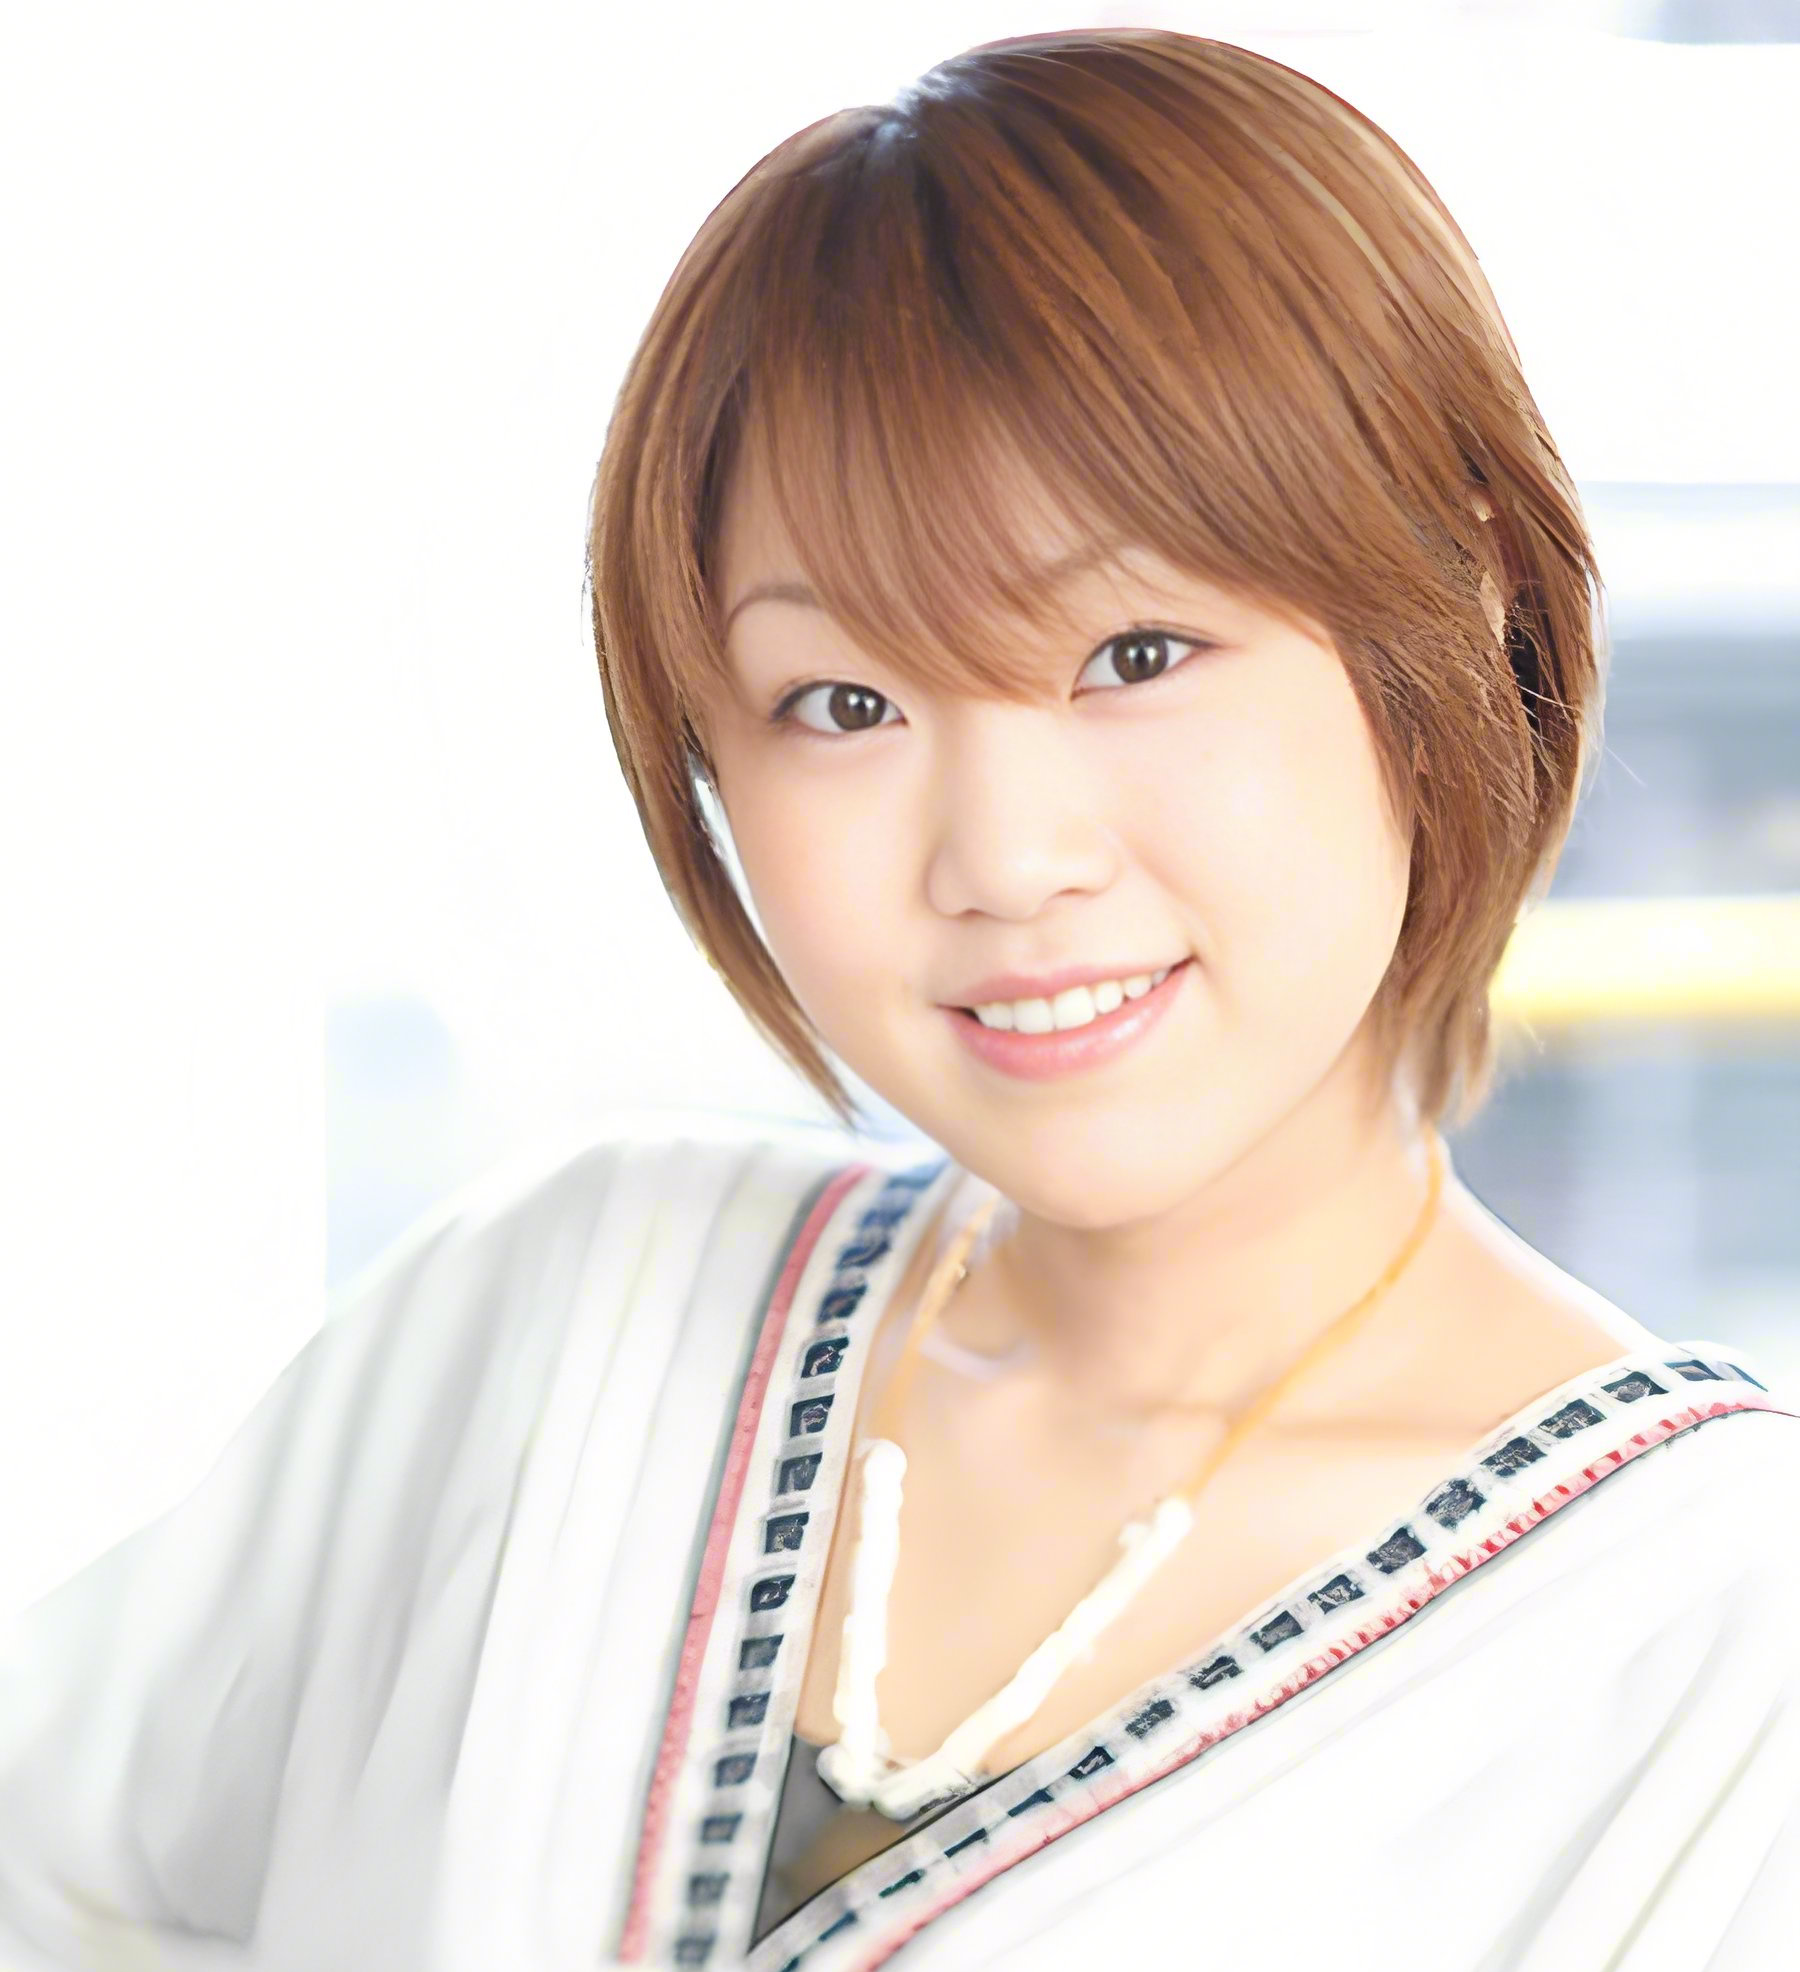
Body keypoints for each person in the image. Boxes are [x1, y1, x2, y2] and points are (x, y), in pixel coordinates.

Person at [2, 26, 1795, 1972]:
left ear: (1466, 611)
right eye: (842, 702)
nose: (1004, 858)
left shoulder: (1715, 1645)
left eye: (1136, 651)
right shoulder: (561, 1319)